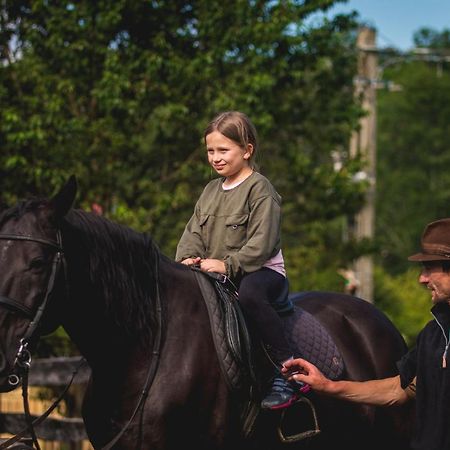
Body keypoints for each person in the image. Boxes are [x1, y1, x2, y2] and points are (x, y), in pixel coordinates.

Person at [176, 111, 309, 410]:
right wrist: (186, 258)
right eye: (211, 151)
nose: (216, 158)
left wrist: (227, 265)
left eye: (224, 150)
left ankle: (288, 372)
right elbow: (193, 231)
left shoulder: (260, 189)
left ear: (247, 150)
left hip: (261, 273)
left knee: (250, 295)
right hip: (217, 273)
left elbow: (263, 244)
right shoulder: (210, 191)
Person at [282, 217, 450, 450]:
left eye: (429, 268)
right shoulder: (434, 334)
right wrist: (329, 386)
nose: (422, 279)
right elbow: (399, 390)